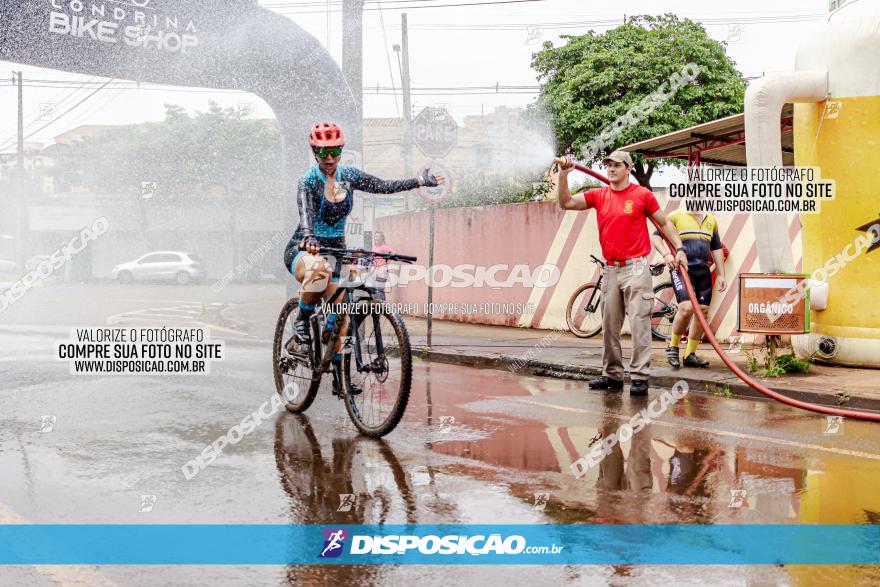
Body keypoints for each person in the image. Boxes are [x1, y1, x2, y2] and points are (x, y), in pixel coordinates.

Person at [283, 122, 444, 393]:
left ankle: (338, 378)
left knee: (342, 315)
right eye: (323, 152)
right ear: (314, 152)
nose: (330, 158)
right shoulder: (308, 180)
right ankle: (301, 319)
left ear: (341, 150)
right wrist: (309, 236)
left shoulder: (349, 176)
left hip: (338, 248)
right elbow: (305, 212)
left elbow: (382, 186)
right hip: (304, 248)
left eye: (334, 150)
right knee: (319, 271)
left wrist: (418, 181)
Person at [557, 150, 686, 396]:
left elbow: (664, 223)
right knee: (609, 325)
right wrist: (564, 175)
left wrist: (679, 248)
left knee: (639, 324)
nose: (611, 168)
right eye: (608, 165)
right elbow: (566, 203)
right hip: (611, 268)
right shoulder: (599, 195)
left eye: (617, 165)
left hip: (637, 267)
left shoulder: (642, 195)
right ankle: (612, 375)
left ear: (628, 169)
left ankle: (639, 377)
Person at [651, 208, 727, 368]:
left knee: (703, 311)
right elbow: (656, 237)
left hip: (703, 270)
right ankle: (673, 347)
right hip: (682, 269)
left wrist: (721, 274)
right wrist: (666, 254)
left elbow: (716, 248)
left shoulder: (711, 220)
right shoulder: (675, 215)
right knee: (686, 308)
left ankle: (690, 354)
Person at [371, 231, 394, 302]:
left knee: (379, 290)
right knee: (374, 291)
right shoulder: (375, 248)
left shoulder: (384, 247)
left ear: (382, 238)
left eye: (378, 236)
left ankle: (383, 307)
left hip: (381, 270)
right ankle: (377, 308)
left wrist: (386, 263)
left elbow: (393, 253)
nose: (376, 238)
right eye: (375, 236)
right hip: (374, 271)